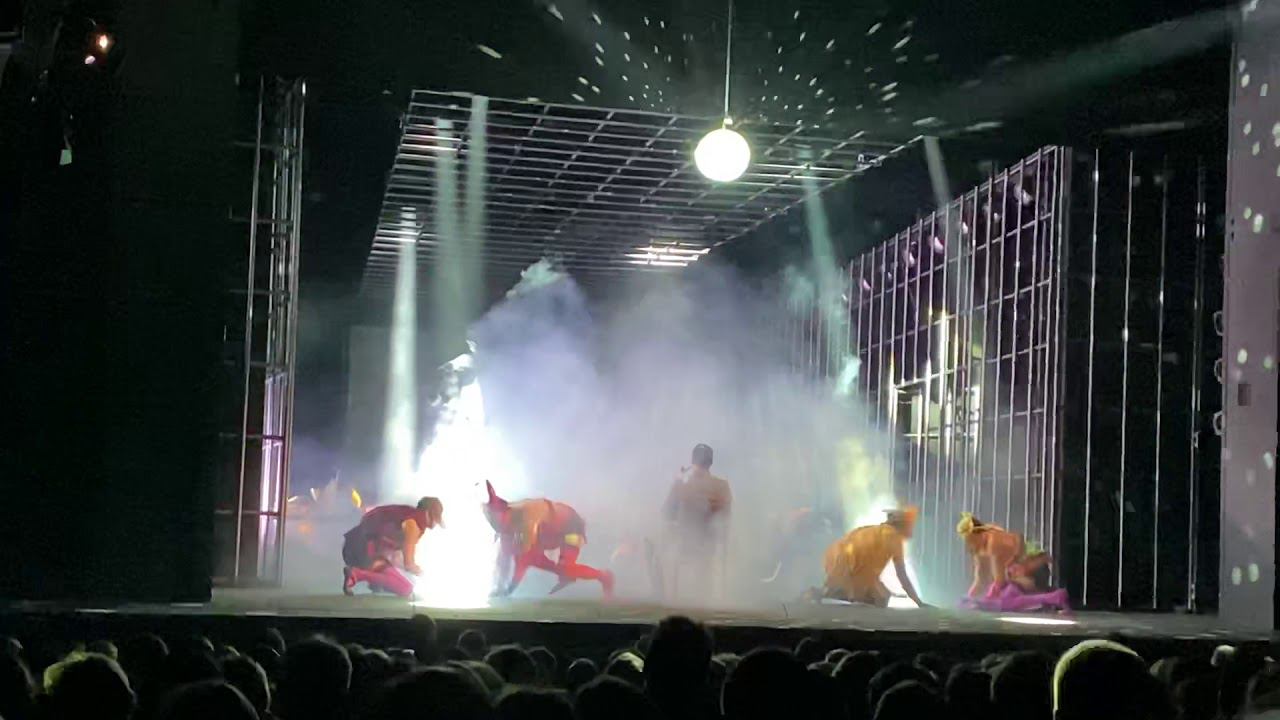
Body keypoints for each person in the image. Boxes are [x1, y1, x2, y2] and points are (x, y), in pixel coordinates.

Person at [483, 481, 614, 598]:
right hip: (549, 534)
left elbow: (522, 559)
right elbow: (506, 559)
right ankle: (565, 575)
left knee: (565, 567)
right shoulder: (506, 525)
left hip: (571, 526)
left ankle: (603, 576)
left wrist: (509, 589)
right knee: (529, 556)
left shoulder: (528, 514)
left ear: (504, 513)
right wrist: (502, 587)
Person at [956, 513, 1069, 613]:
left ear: (977, 533)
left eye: (969, 538)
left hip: (1035, 570)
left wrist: (984, 602)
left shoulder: (993, 541)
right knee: (1004, 596)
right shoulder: (978, 549)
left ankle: (1052, 597)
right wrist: (968, 599)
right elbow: (980, 580)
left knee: (1004, 601)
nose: (967, 542)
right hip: (1018, 575)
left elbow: (999, 581)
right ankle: (1052, 597)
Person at [819, 506, 929, 608]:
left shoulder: (872, 530)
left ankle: (830, 591)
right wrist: (918, 602)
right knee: (880, 598)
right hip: (850, 571)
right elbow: (902, 575)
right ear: (903, 525)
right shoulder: (894, 538)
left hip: (834, 561)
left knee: (879, 594)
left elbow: (865, 564)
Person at [661, 444, 732, 601]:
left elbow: (666, 512)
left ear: (693, 461)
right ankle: (704, 598)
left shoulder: (682, 485)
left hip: (683, 545)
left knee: (663, 549)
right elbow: (726, 518)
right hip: (710, 547)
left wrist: (677, 481)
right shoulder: (721, 486)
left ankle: (671, 599)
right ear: (710, 463)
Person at [341, 496, 444, 597]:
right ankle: (356, 575)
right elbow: (409, 564)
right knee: (406, 588)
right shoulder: (413, 524)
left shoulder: (405, 515)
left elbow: (396, 558)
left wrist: (409, 567)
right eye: (436, 517)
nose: (435, 524)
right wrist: (421, 572)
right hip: (363, 548)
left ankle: (373, 582)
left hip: (353, 546)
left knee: (392, 577)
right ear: (428, 513)